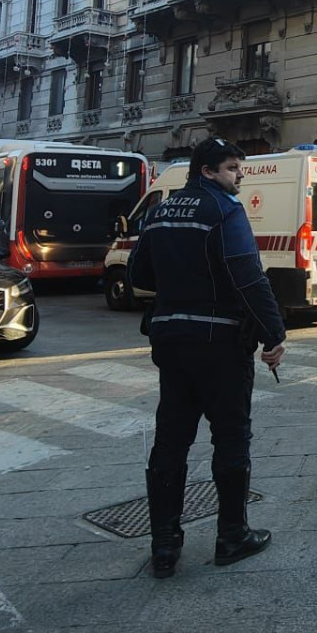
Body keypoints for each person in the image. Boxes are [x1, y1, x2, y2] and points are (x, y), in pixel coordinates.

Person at [128, 137, 286, 577]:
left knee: (170, 442)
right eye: (233, 168)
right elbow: (248, 277)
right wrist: (274, 333)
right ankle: (232, 536)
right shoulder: (224, 211)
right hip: (220, 344)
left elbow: (139, 273)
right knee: (231, 437)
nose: (240, 176)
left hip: (171, 339)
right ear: (208, 172)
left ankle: (164, 544)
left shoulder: (160, 212)